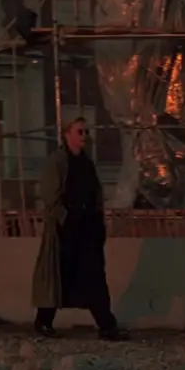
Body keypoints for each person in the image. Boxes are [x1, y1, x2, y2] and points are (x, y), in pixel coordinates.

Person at [30, 117, 129, 341]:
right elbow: (50, 196)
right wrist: (66, 219)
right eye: (80, 131)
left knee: (94, 275)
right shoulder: (57, 162)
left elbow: (94, 194)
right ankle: (43, 320)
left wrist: (96, 223)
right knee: (59, 274)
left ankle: (107, 325)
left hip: (86, 228)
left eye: (86, 132)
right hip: (65, 230)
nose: (84, 136)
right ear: (67, 134)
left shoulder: (86, 163)